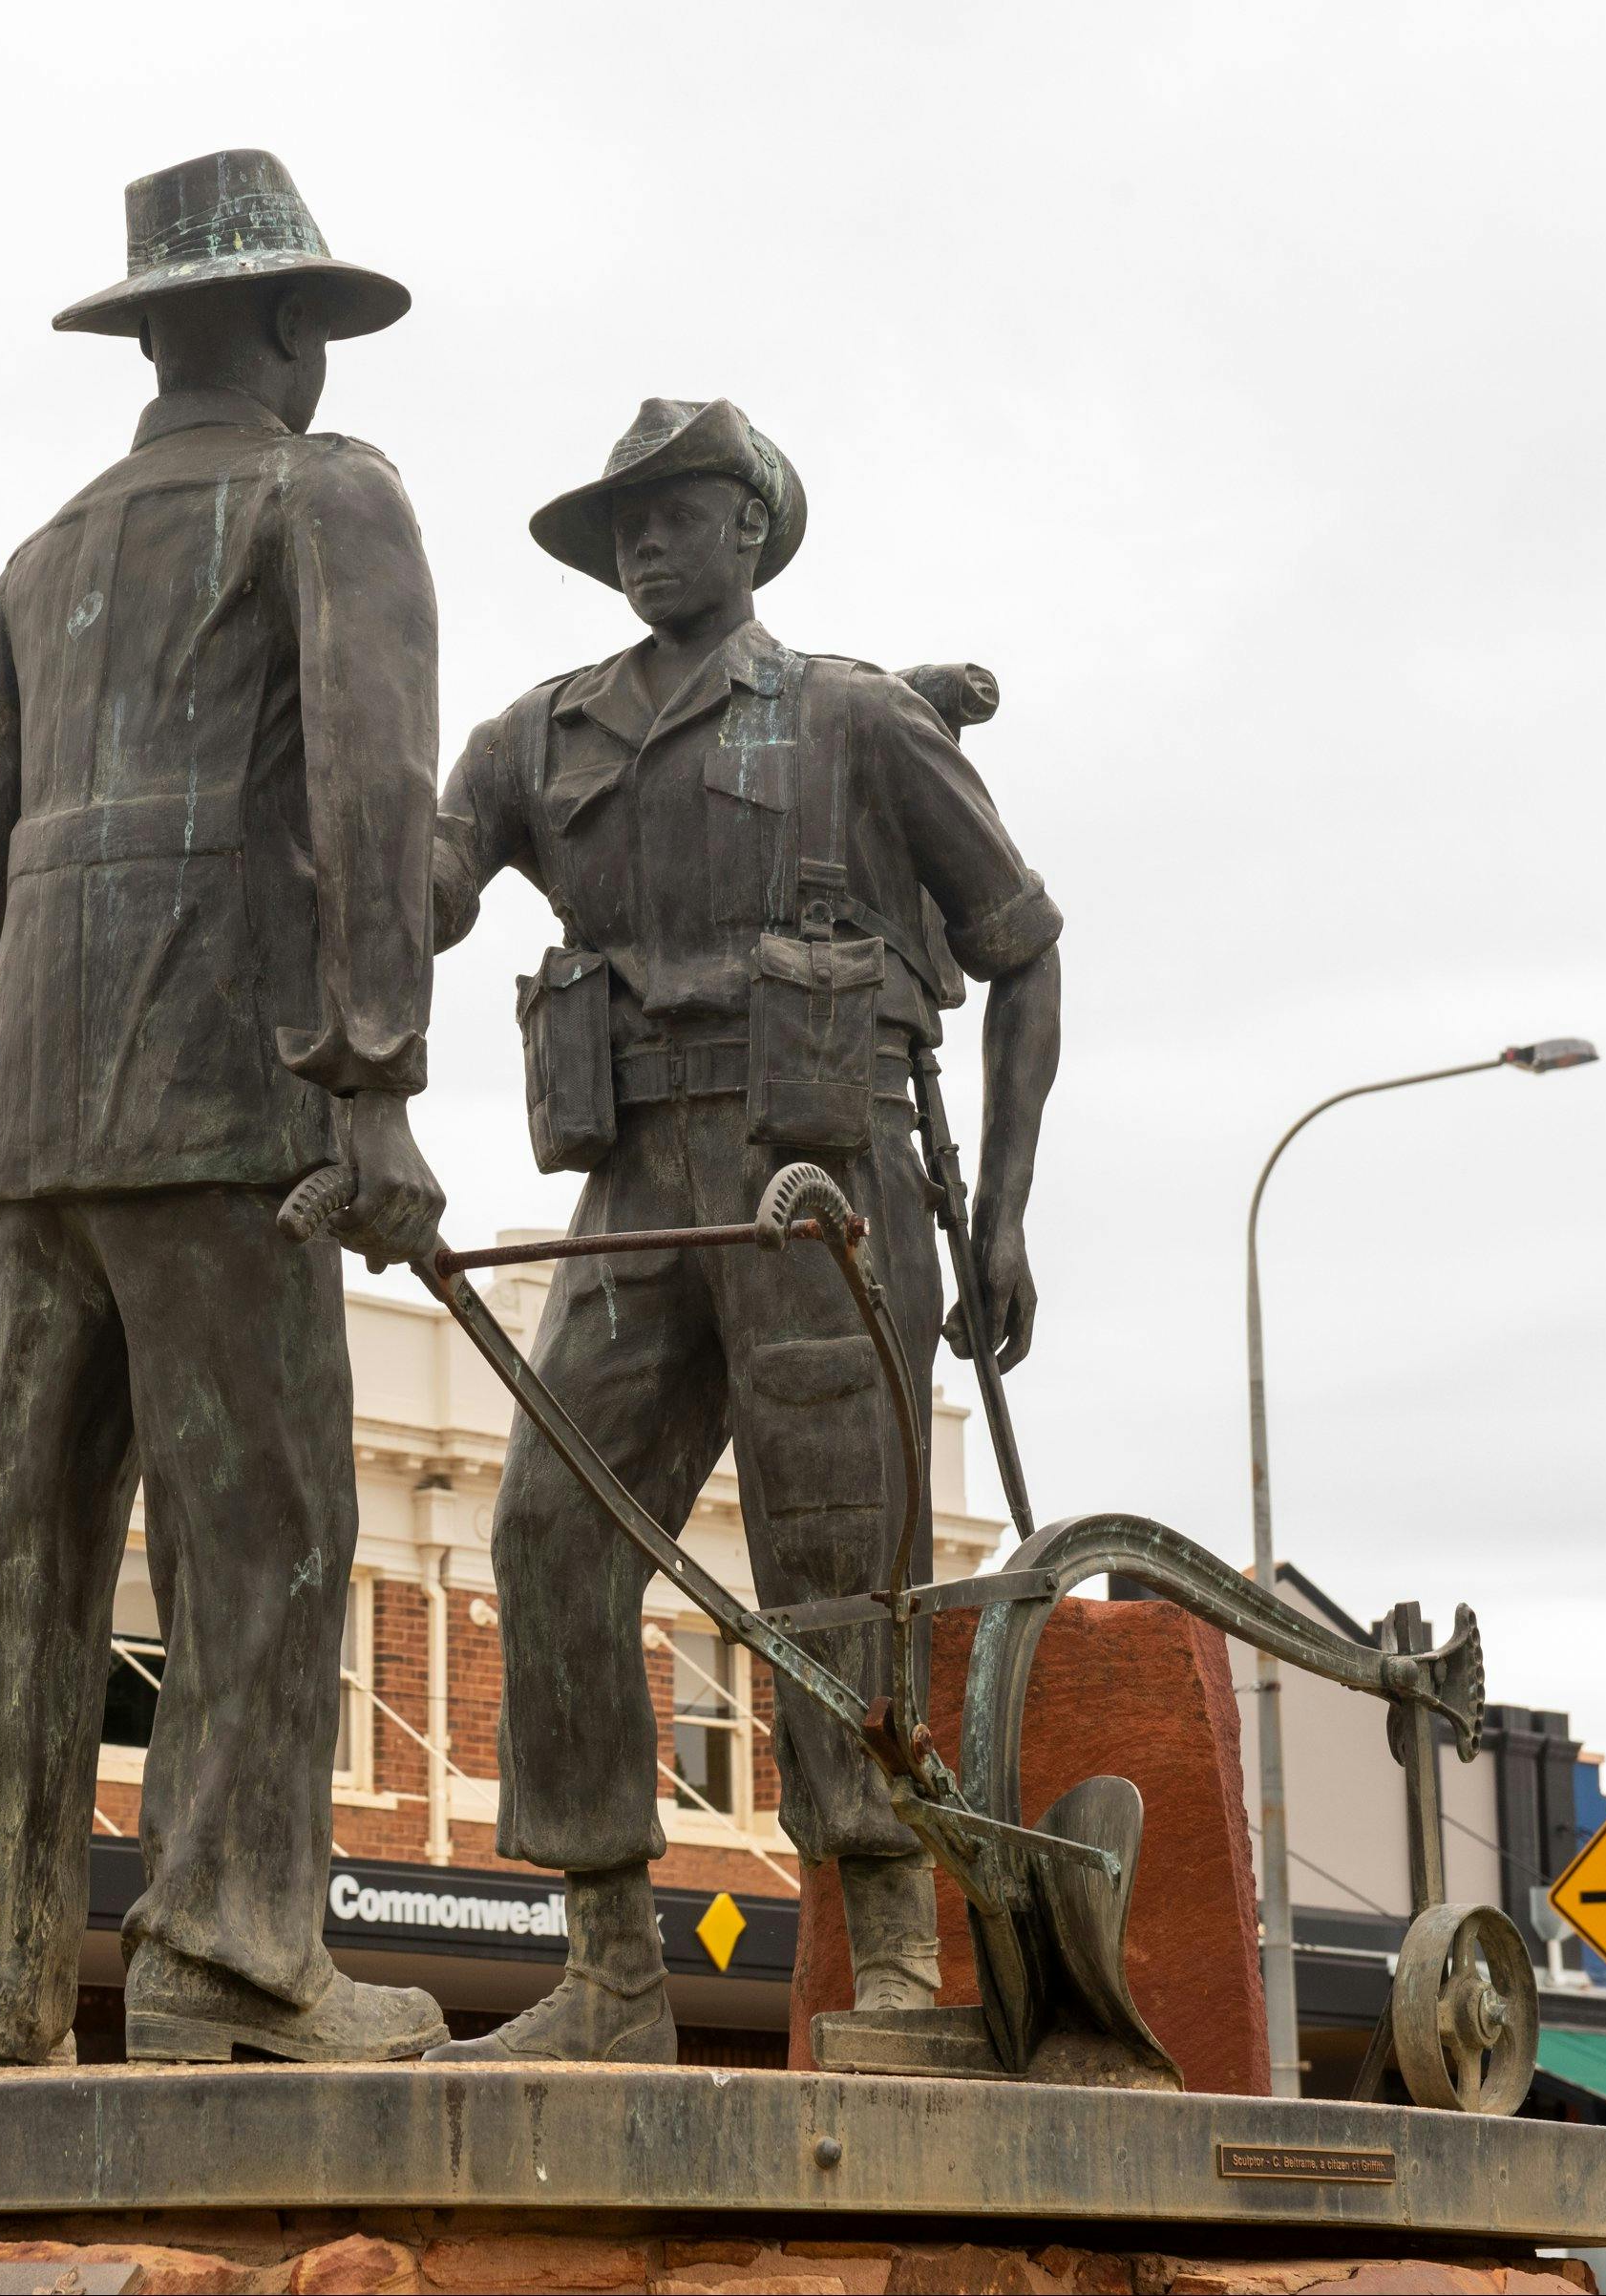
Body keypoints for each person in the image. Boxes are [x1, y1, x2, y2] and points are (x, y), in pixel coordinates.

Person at [0, 150, 451, 2067]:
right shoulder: (332, 492)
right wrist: (375, 1075)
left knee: (26, 1549)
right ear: (298, 330)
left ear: (152, 334)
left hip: (34, 1121)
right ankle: (230, 1942)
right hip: (228, 1098)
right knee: (265, 1531)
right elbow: (378, 800)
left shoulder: (45, 553)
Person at [426, 399, 1064, 2063]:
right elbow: (416, 888)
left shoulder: (853, 717)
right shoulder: (536, 742)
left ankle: (900, 1961)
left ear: (751, 533)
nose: (644, 542)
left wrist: (1000, 1213)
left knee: (839, 1562)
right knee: (549, 1532)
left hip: (821, 1183)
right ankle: (612, 1973)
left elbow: (1024, 948)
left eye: (678, 511)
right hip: (634, 1191)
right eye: (620, 521)